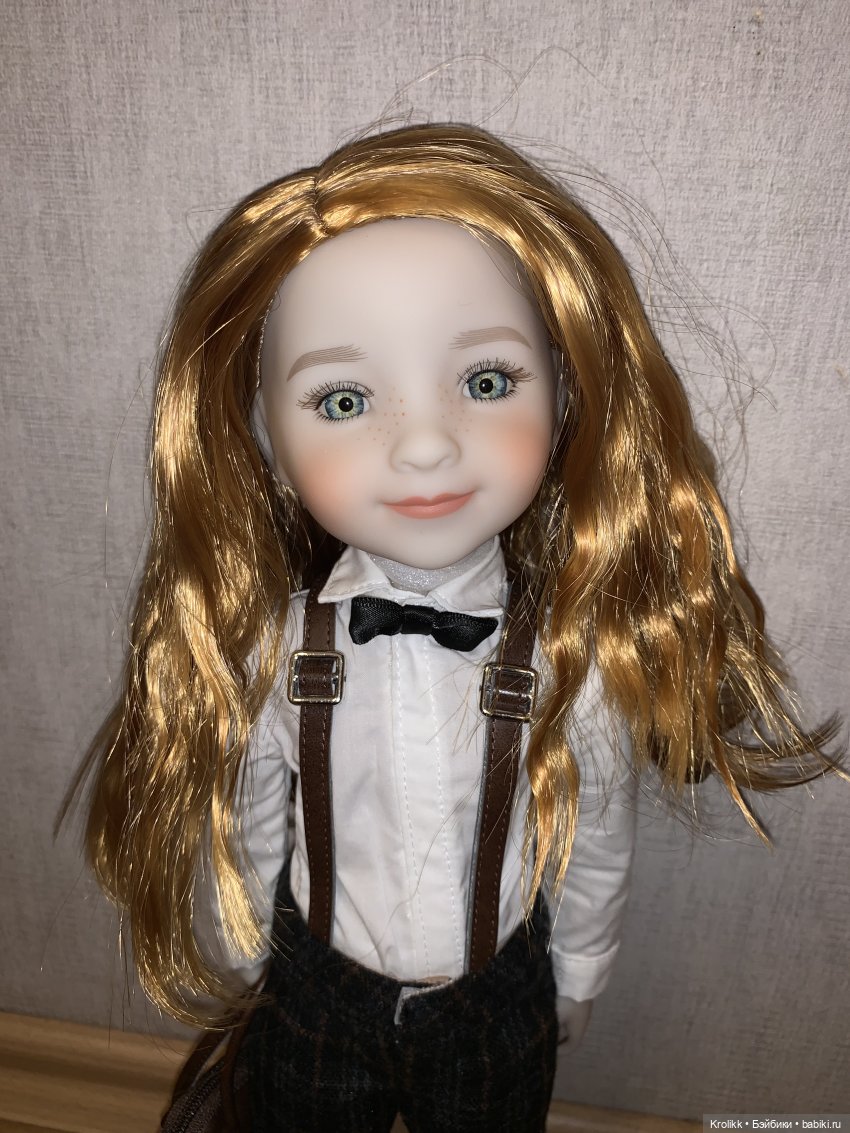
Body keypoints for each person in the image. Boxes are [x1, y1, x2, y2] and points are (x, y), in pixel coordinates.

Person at [78, 124, 839, 1131]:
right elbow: (253, 802)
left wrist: (580, 966)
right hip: (315, 991)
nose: (428, 446)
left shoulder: (569, 663)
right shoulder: (281, 648)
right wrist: (246, 938)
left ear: (562, 390)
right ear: (265, 436)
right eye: (343, 399)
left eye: (486, 383)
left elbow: (594, 834)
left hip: (492, 1000)